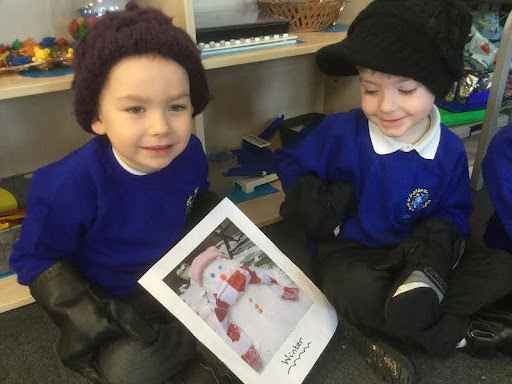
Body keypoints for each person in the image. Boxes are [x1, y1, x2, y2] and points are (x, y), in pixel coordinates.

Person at [274, 0, 512, 382]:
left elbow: (454, 213)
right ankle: (459, 335)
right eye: (370, 89)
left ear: (437, 88)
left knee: (501, 267)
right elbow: (289, 159)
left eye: (405, 89)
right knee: (355, 290)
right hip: (352, 255)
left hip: (416, 255)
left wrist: (433, 255)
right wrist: (311, 198)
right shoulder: (339, 132)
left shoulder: (448, 151)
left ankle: (399, 313)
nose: (386, 106)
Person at [9, 3, 236, 384]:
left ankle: (201, 343)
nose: (161, 127)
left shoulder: (191, 152)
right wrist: (81, 310)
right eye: (135, 108)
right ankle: (203, 344)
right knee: (128, 370)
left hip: (180, 279)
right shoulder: (66, 185)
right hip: (116, 304)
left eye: (177, 106)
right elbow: (34, 256)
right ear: (97, 117)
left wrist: (205, 214)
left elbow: (195, 197)